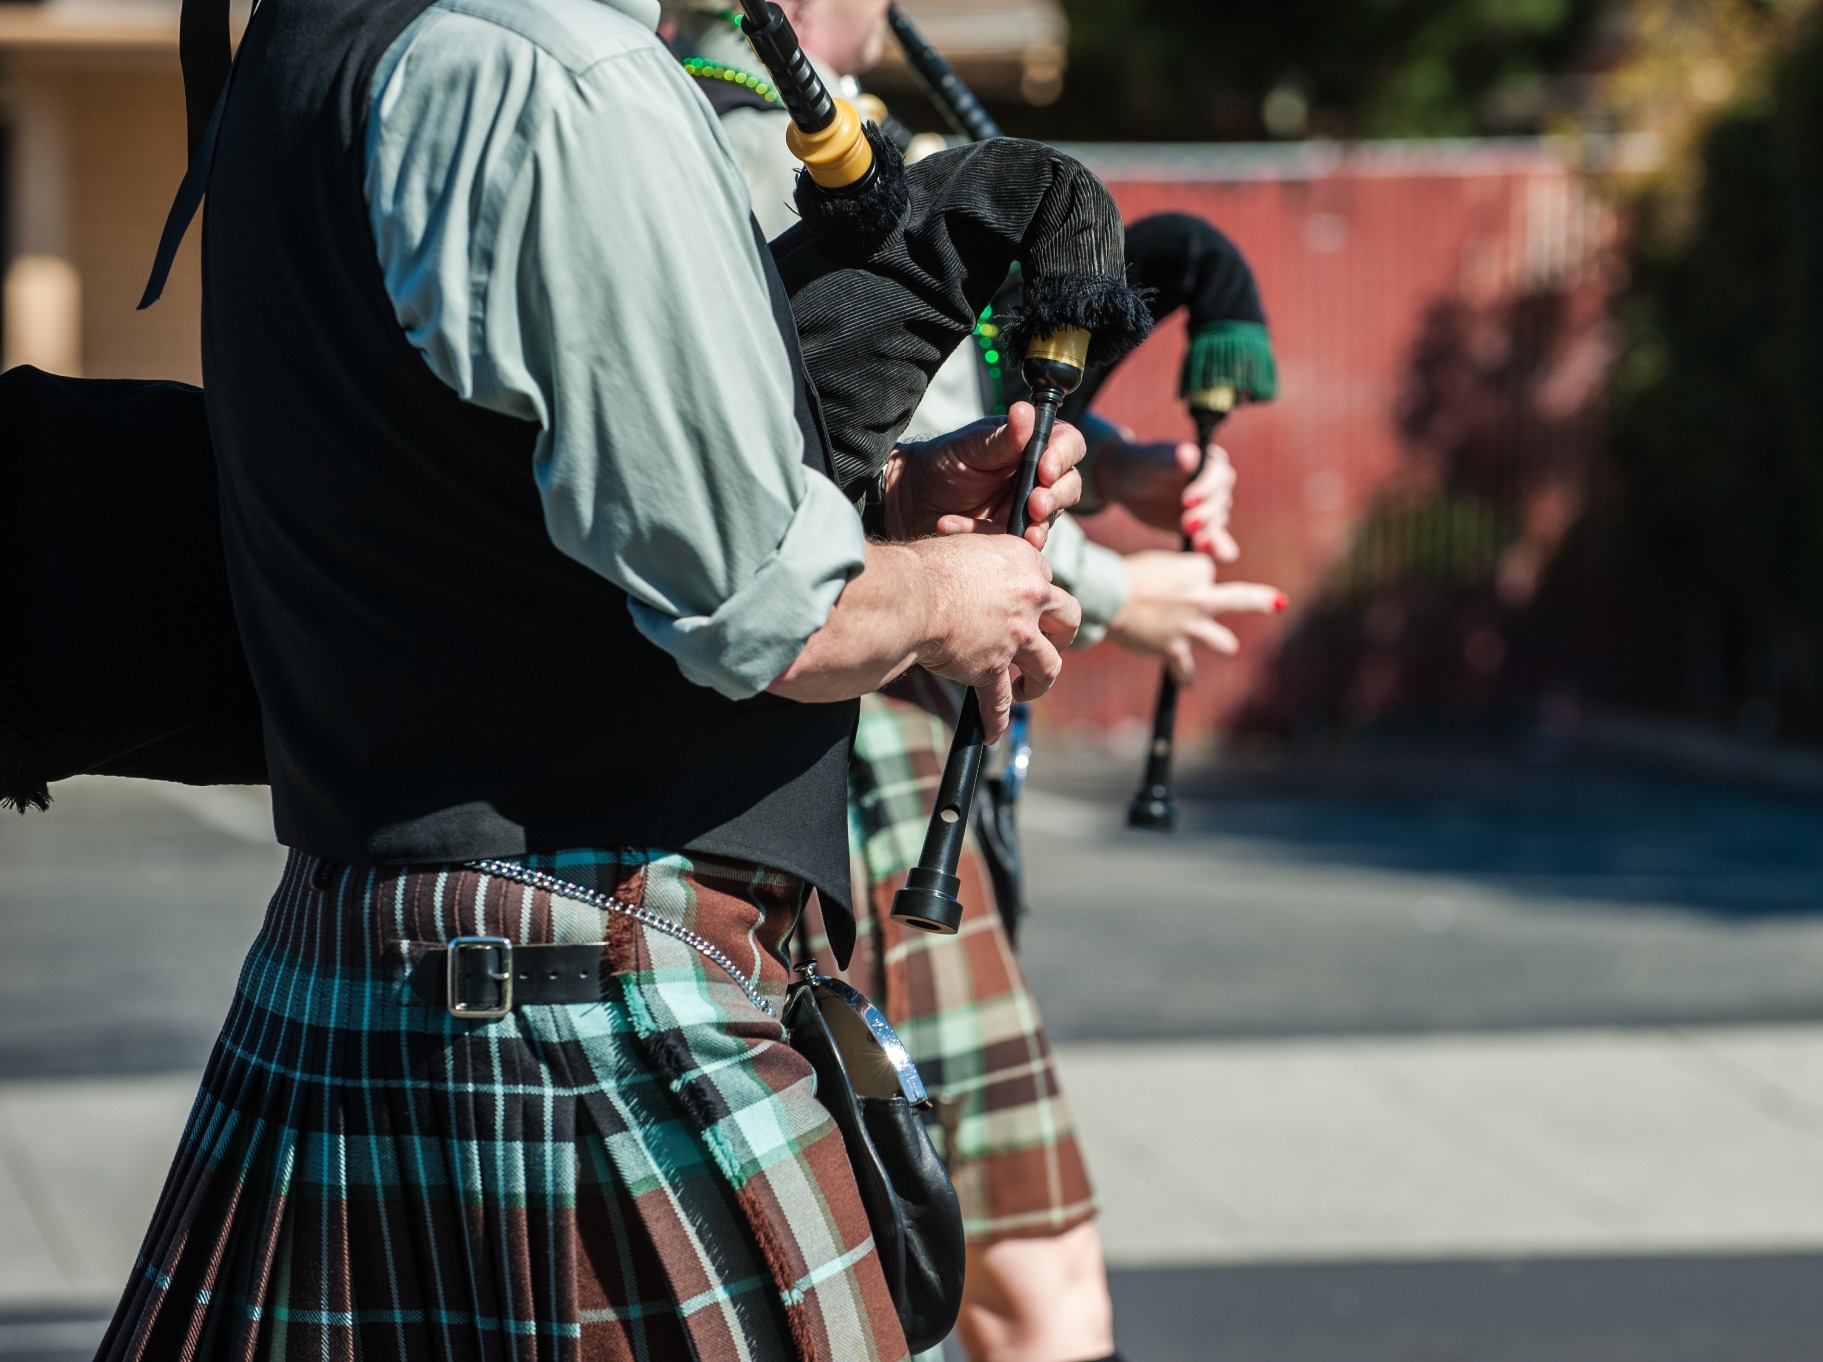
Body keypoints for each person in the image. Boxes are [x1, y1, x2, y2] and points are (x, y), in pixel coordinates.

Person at [90, 0, 1088, 1357]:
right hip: (585, 1004)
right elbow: (763, 613)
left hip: (358, 966)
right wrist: (950, 594)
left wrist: (892, 506)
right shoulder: (555, 68)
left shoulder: (308, 40)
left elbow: (497, 506)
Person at [671, 8, 1281, 1360]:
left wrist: (1116, 466)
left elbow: (973, 384)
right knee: (1025, 1289)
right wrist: (1131, 596)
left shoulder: (741, 118)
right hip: (867, 740)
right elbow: (872, 449)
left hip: (856, 724)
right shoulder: (756, 132)